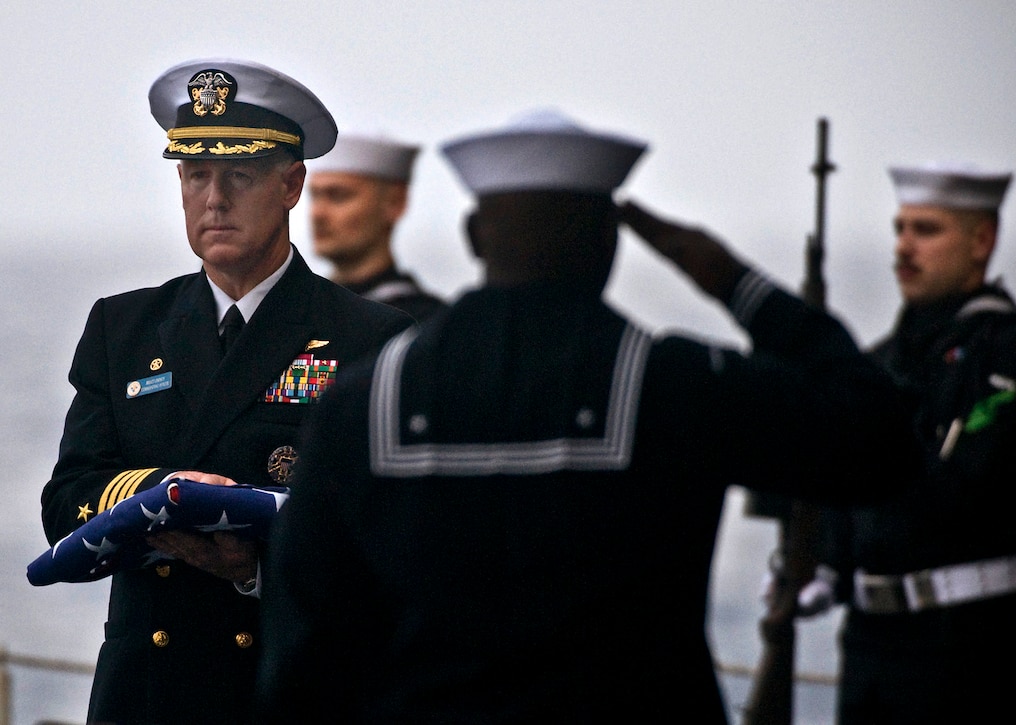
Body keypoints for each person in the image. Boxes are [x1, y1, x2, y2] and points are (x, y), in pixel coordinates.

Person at [253, 109, 916, 723]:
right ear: (609, 241)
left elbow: (305, 646)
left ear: (475, 235)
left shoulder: (361, 401)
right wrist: (733, 281)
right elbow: (882, 442)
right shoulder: (677, 385)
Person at [39, 58, 413, 724]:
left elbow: (395, 543)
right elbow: (66, 500)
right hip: (145, 695)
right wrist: (163, 489)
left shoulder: (371, 339)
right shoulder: (121, 328)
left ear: (292, 184)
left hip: (284, 691)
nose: (214, 199)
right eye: (195, 174)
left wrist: (255, 565)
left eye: (239, 175)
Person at [813, 163, 1016, 724]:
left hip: (963, 648)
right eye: (900, 229)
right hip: (867, 648)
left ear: (982, 240)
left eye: (926, 230)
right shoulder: (879, 362)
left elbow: (958, 485)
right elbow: (839, 474)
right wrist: (820, 556)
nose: (904, 247)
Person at [308, 131, 447, 322]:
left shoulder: (421, 322)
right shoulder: (294, 310)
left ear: (395, 202)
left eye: (338, 196)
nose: (317, 214)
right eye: (314, 196)